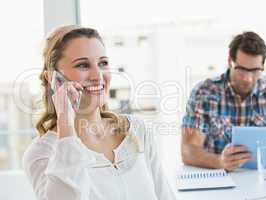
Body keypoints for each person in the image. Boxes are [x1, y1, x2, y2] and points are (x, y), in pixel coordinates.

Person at [23, 25, 176, 200]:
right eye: (83, 65)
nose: (98, 75)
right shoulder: (42, 153)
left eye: (103, 63)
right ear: (53, 78)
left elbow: (165, 195)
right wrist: (65, 122)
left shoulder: (137, 130)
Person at [181, 31, 266, 171]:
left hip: (257, 178)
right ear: (230, 62)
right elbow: (188, 151)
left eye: (255, 70)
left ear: (262, 66)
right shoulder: (204, 92)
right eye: (241, 69)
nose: (248, 78)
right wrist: (219, 162)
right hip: (217, 177)